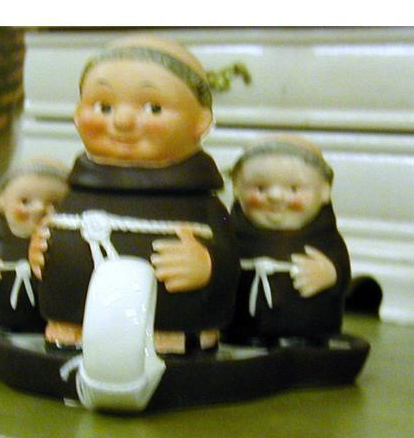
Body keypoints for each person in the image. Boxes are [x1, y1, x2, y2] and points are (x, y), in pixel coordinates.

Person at [29, 35, 240, 354]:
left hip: (169, 335)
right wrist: (40, 251)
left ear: (201, 121)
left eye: (153, 108)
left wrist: (208, 265)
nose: (122, 121)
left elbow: (230, 257)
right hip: (71, 332)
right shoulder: (76, 191)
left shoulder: (203, 205)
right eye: (103, 106)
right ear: (77, 113)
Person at [222, 135, 351, 347]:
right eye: (260, 188)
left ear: (325, 191)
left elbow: (341, 268)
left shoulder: (326, 239)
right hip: (241, 332)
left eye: (294, 189)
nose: (275, 196)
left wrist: (330, 273)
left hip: (309, 332)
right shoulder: (231, 235)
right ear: (237, 188)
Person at [0, 159, 68, 333]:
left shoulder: (63, 247)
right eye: (25, 201)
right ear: (2, 201)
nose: (39, 209)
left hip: (45, 327)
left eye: (54, 204)